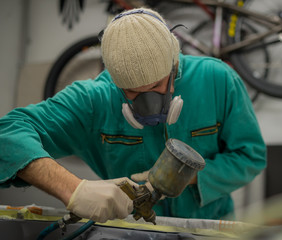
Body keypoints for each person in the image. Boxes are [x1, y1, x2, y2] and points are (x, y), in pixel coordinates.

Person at [0, 7, 266, 223]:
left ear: (174, 64)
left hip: (208, 226)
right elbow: (7, 133)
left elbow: (250, 155)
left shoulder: (217, 80)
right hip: (130, 230)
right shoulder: (95, 99)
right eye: (132, 92)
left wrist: (191, 175)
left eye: (155, 87)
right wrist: (73, 189)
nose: (148, 102)